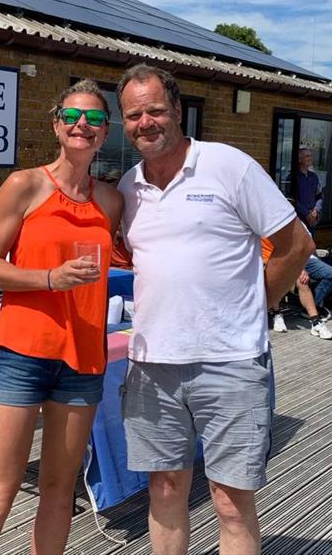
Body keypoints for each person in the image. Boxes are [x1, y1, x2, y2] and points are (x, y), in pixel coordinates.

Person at [115, 63, 314, 555]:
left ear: (178, 111)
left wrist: (259, 303)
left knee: (228, 499)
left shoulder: (228, 165)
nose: (146, 122)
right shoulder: (127, 188)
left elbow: (296, 244)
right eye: (134, 114)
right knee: (163, 490)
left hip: (229, 361)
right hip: (152, 363)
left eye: (156, 110)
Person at [0, 80, 122, 555]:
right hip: (22, 354)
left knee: (58, 493)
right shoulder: (24, 185)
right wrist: (50, 278)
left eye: (92, 119)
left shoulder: (110, 201)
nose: (81, 126)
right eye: (71, 117)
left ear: (105, 130)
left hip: (84, 360)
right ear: (56, 124)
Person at [293, 146, 324, 233]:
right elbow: (292, 198)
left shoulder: (314, 177)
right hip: (299, 219)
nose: (310, 158)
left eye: (310, 156)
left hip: (312, 220)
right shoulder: (293, 177)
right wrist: (306, 213)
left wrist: (316, 211)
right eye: (307, 156)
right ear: (299, 159)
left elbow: (319, 195)